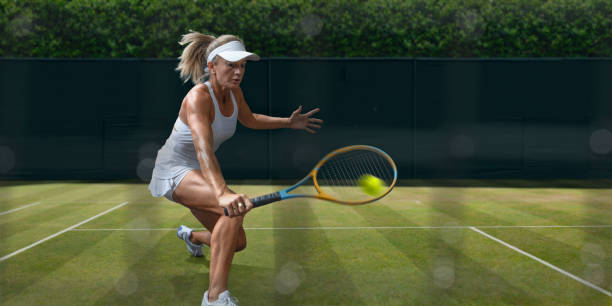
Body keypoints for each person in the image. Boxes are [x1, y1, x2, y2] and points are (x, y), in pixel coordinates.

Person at [148, 31, 323, 306]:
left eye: (242, 65)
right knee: (231, 209)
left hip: (198, 172)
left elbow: (250, 119)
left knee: (237, 242)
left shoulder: (234, 91)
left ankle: (191, 236)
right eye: (231, 64)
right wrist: (221, 193)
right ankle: (214, 297)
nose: (238, 71)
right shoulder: (198, 98)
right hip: (174, 170)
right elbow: (203, 147)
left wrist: (288, 123)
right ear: (212, 66)